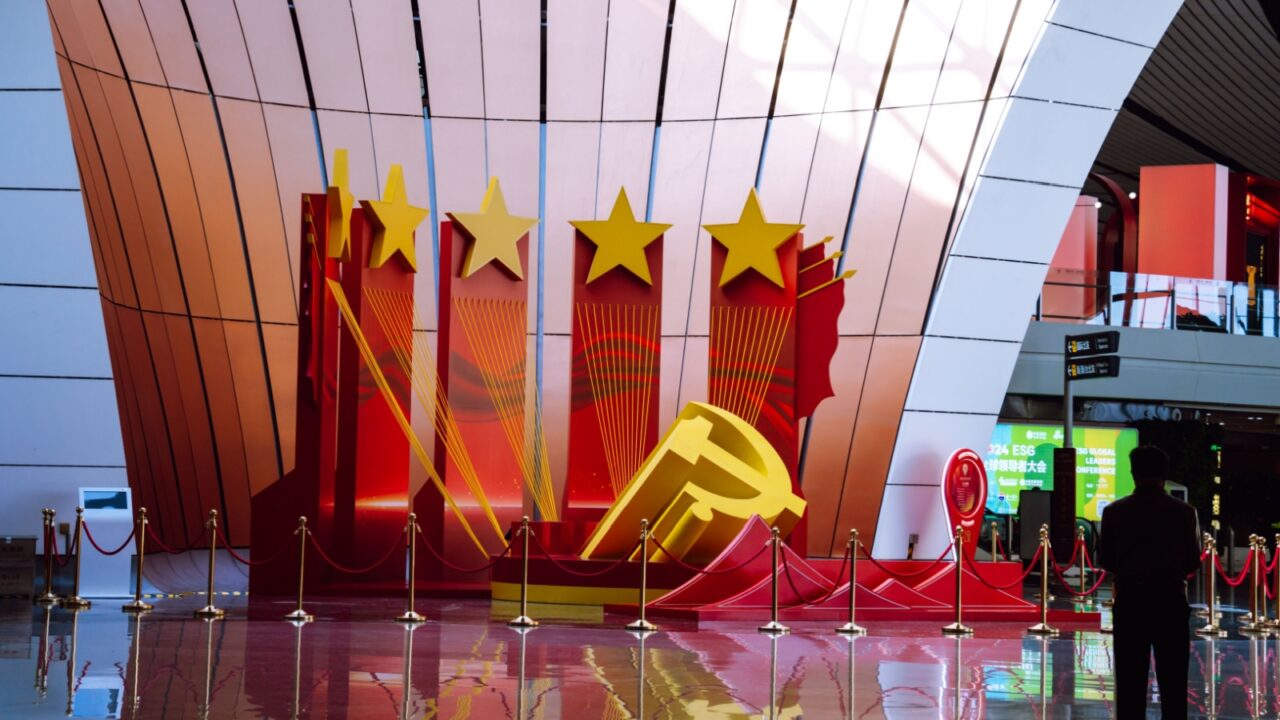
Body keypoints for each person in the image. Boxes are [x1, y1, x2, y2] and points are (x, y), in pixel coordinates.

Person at [1097, 445, 1201, 718]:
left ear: (1133, 473)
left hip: (1131, 601)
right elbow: (1193, 561)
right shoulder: (1184, 512)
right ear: (1165, 474)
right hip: (1170, 600)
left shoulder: (1114, 512)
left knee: (1130, 683)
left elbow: (1106, 560)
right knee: (1174, 682)